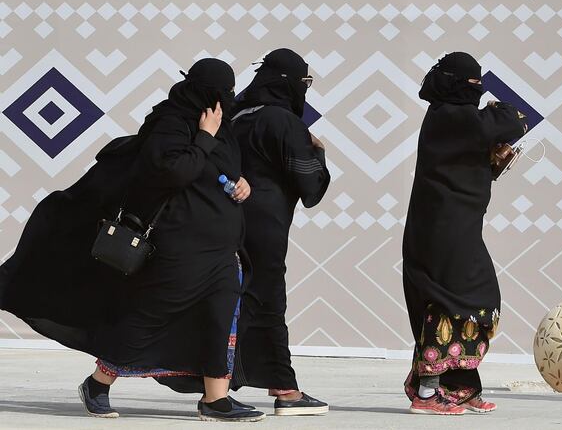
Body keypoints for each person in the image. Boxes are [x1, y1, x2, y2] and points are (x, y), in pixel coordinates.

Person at [0, 58, 265, 422]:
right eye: (219, 92)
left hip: (222, 248)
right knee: (149, 317)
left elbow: (223, 171)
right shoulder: (170, 123)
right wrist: (203, 137)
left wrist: (241, 182)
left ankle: (214, 400)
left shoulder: (222, 125)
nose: (225, 99)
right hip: (181, 244)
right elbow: (170, 172)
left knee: (221, 317)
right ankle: (98, 382)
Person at [402, 52, 528, 415]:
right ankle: (427, 393)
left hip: (454, 227)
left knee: (472, 300)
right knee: (448, 301)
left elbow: (469, 159)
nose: (478, 90)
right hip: (441, 229)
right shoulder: (451, 115)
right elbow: (513, 120)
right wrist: (495, 107)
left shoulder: (454, 118)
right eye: (474, 84)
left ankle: (458, 386)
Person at [227, 48, 330, 415]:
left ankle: (220, 386)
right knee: (269, 301)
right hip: (266, 227)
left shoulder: (237, 115)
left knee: (231, 301)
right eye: (304, 82)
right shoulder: (284, 122)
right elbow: (312, 189)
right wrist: (318, 152)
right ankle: (286, 389)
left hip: (227, 222)